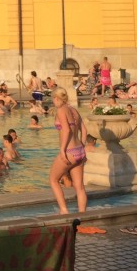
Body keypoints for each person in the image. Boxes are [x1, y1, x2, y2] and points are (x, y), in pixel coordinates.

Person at [49, 87, 89, 215]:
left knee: (53, 180)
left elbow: (66, 130)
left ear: (56, 98)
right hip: (79, 151)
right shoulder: (74, 110)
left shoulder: (61, 110)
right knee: (80, 187)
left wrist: (62, 150)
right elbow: (84, 130)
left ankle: (64, 210)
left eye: (53, 99)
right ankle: (82, 214)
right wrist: (82, 146)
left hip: (69, 151)